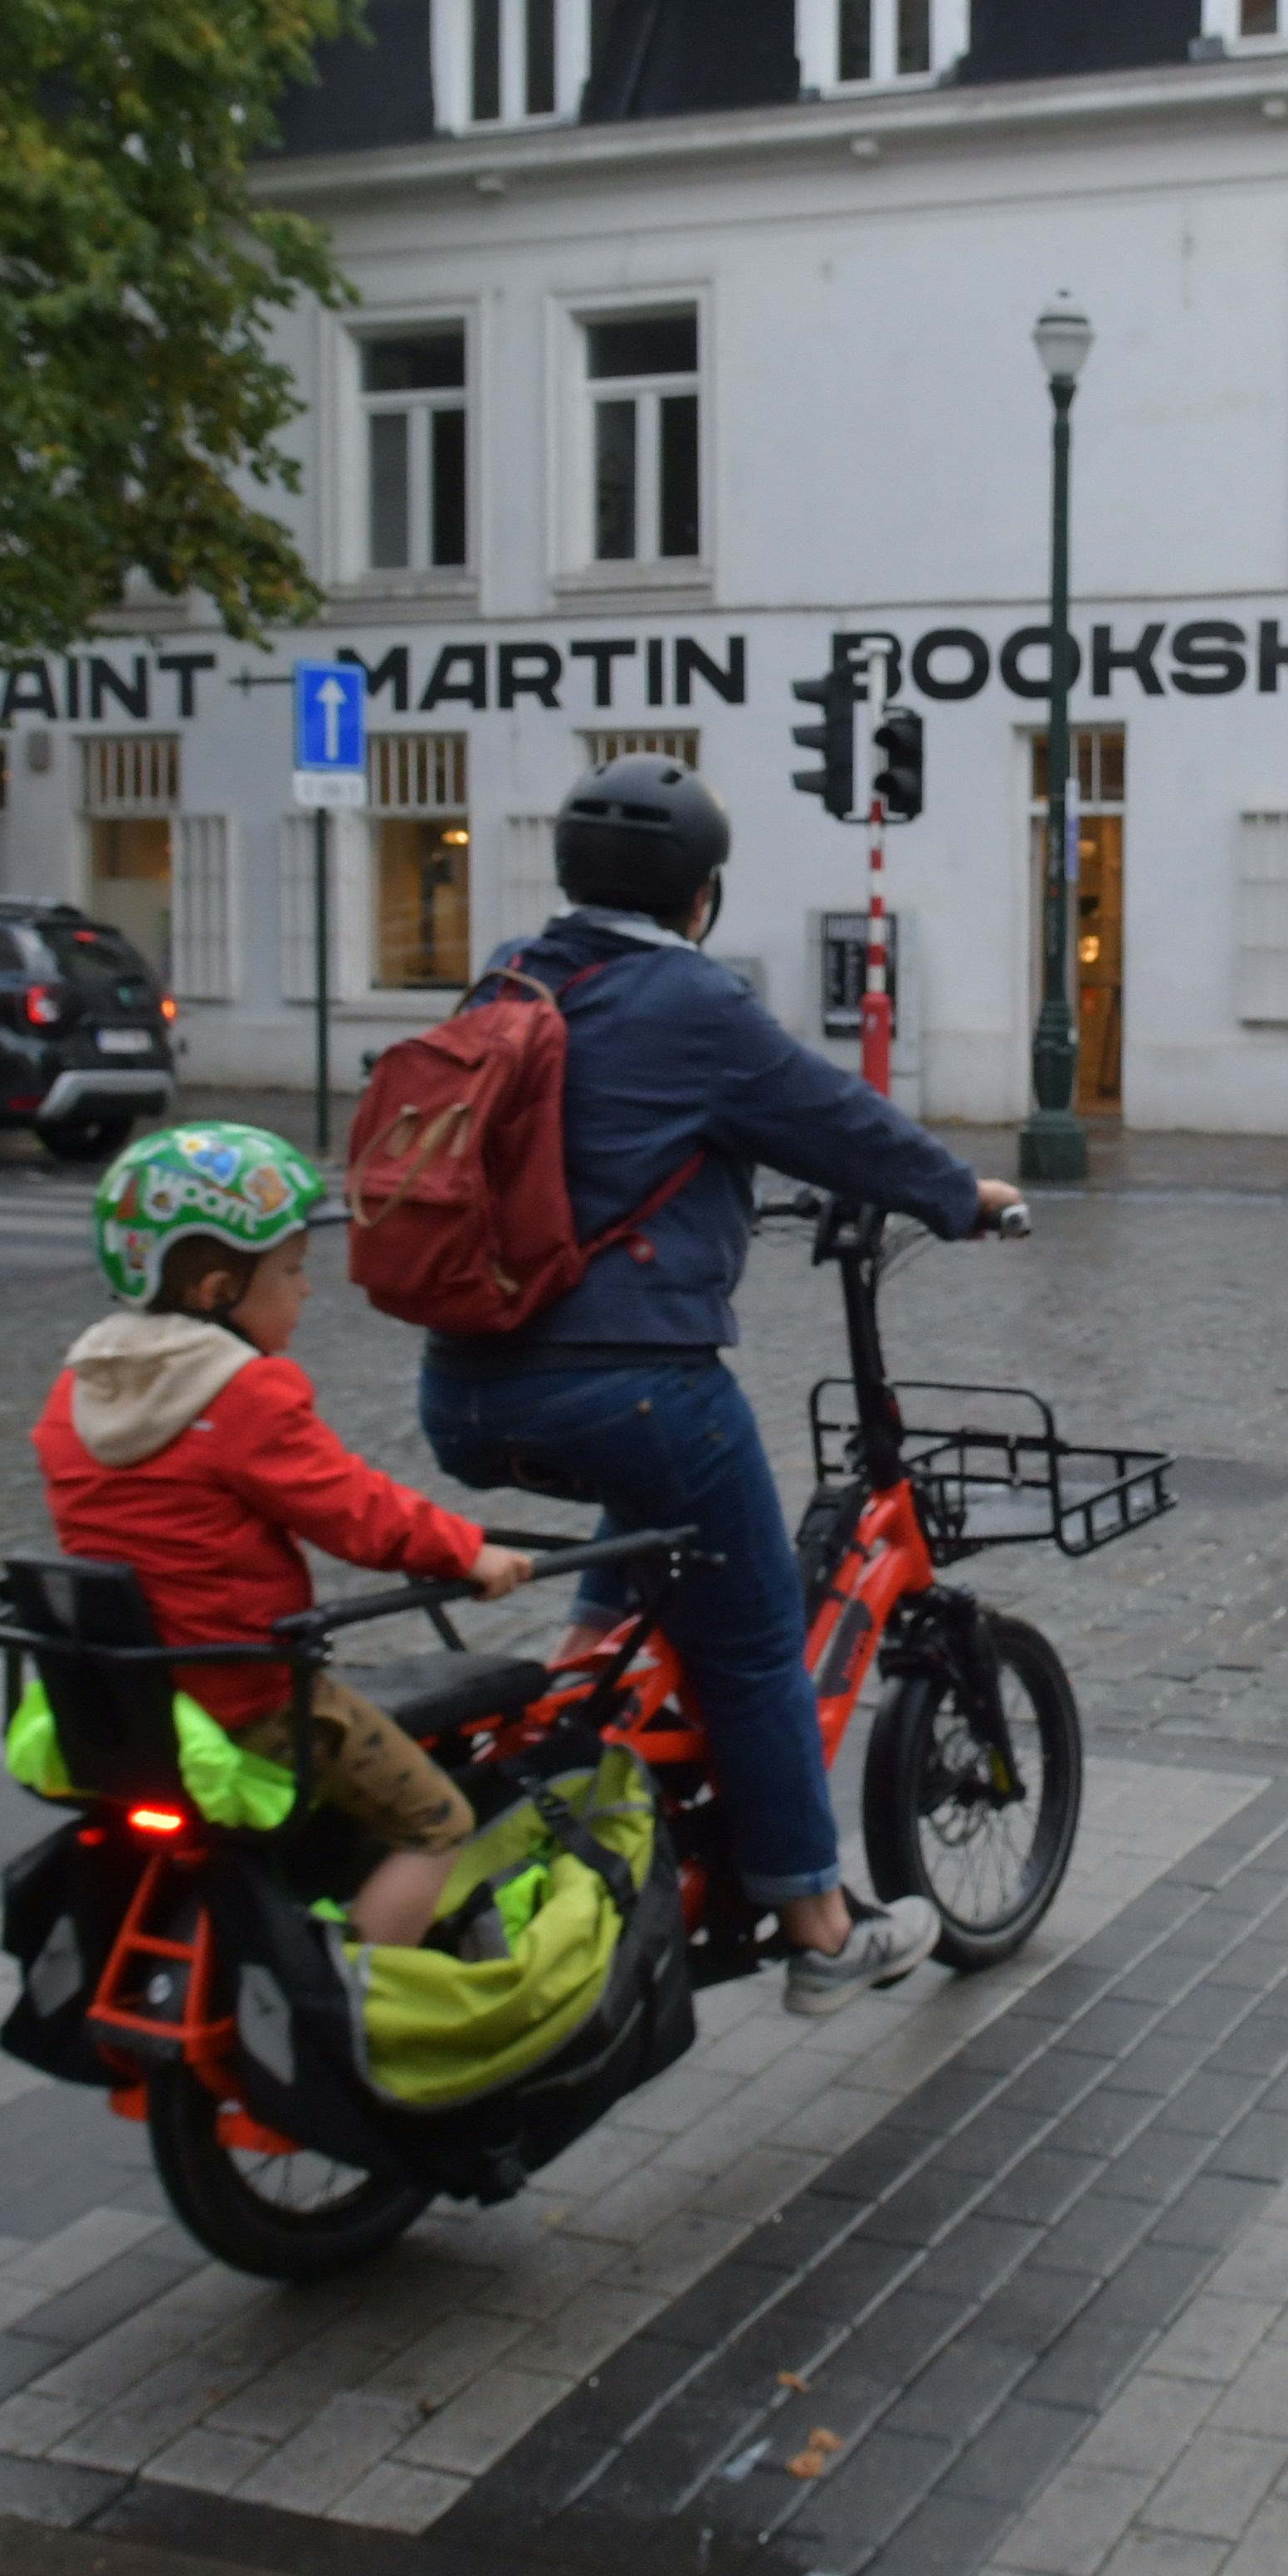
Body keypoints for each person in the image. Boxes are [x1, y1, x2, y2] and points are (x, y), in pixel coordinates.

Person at [413, 755, 1024, 2017]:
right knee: (750, 1638)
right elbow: (835, 1119)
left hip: (464, 1390)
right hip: (626, 1382)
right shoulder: (689, 1001)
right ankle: (815, 1919)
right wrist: (964, 1197)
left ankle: (579, 1703)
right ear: (702, 893)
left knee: (653, 1504)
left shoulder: (512, 977)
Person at [36, 1122, 529, 1950]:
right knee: (437, 1821)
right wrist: (467, 1551)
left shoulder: (76, 1392)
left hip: (128, 1704)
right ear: (216, 1288)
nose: (306, 1290)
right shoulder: (241, 1392)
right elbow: (354, 1510)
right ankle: (357, 2003)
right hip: (246, 1702)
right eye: (291, 1271)